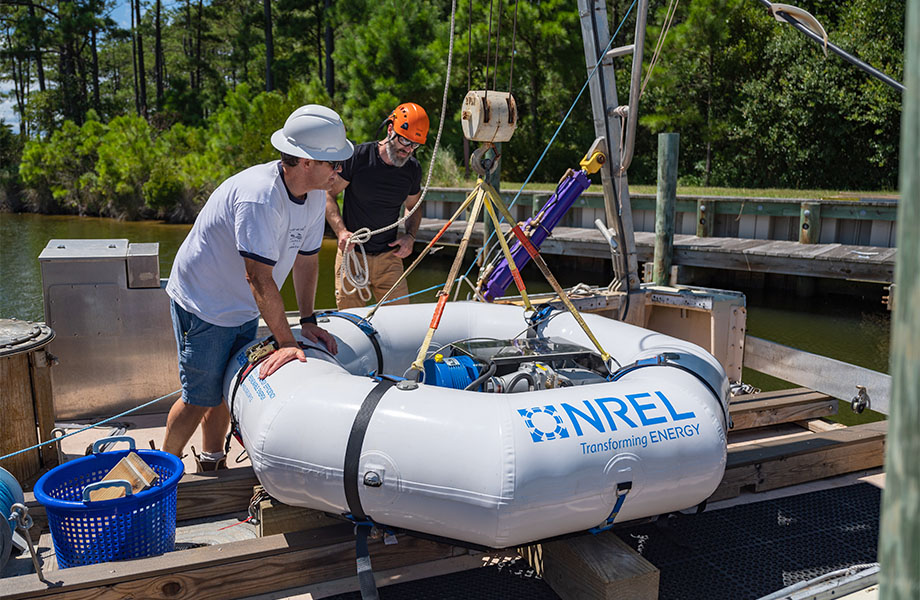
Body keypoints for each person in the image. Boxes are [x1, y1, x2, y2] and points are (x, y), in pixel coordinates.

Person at [162, 104, 353, 470]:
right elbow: (259, 278)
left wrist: (309, 319)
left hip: (245, 303)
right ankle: (161, 477)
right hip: (205, 303)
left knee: (222, 389)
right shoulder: (259, 197)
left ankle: (211, 461)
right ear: (306, 161)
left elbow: (307, 259)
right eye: (334, 163)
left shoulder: (314, 197)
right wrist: (287, 343)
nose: (339, 171)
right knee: (199, 397)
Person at [325, 102, 428, 309]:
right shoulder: (358, 157)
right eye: (405, 141)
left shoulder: (412, 169)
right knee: (350, 321)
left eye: (414, 146)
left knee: (400, 322)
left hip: (389, 258)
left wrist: (410, 236)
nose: (407, 150)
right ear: (390, 130)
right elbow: (328, 194)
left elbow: (414, 206)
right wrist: (341, 232)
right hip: (353, 256)